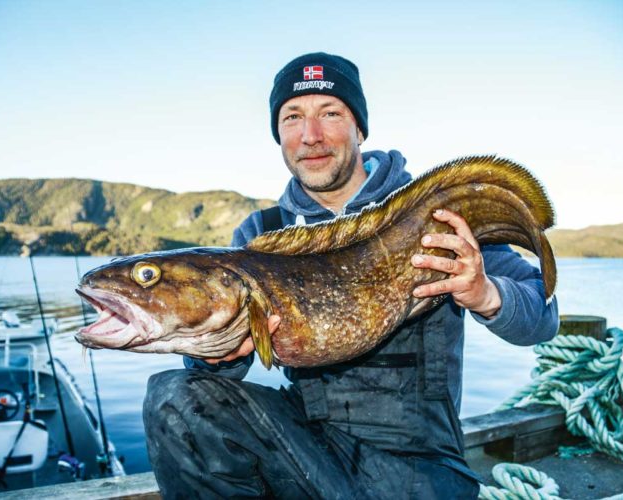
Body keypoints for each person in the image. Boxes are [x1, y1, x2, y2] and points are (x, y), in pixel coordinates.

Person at [143, 52, 559, 499]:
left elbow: (543, 316)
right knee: (174, 397)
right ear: (278, 133)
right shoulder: (258, 237)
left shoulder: (436, 215)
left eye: (331, 113)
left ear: (359, 127)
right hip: (309, 447)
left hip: (421, 467)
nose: (311, 135)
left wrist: (485, 293)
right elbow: (218, 379)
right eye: (293, 117)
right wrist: (216, 355)